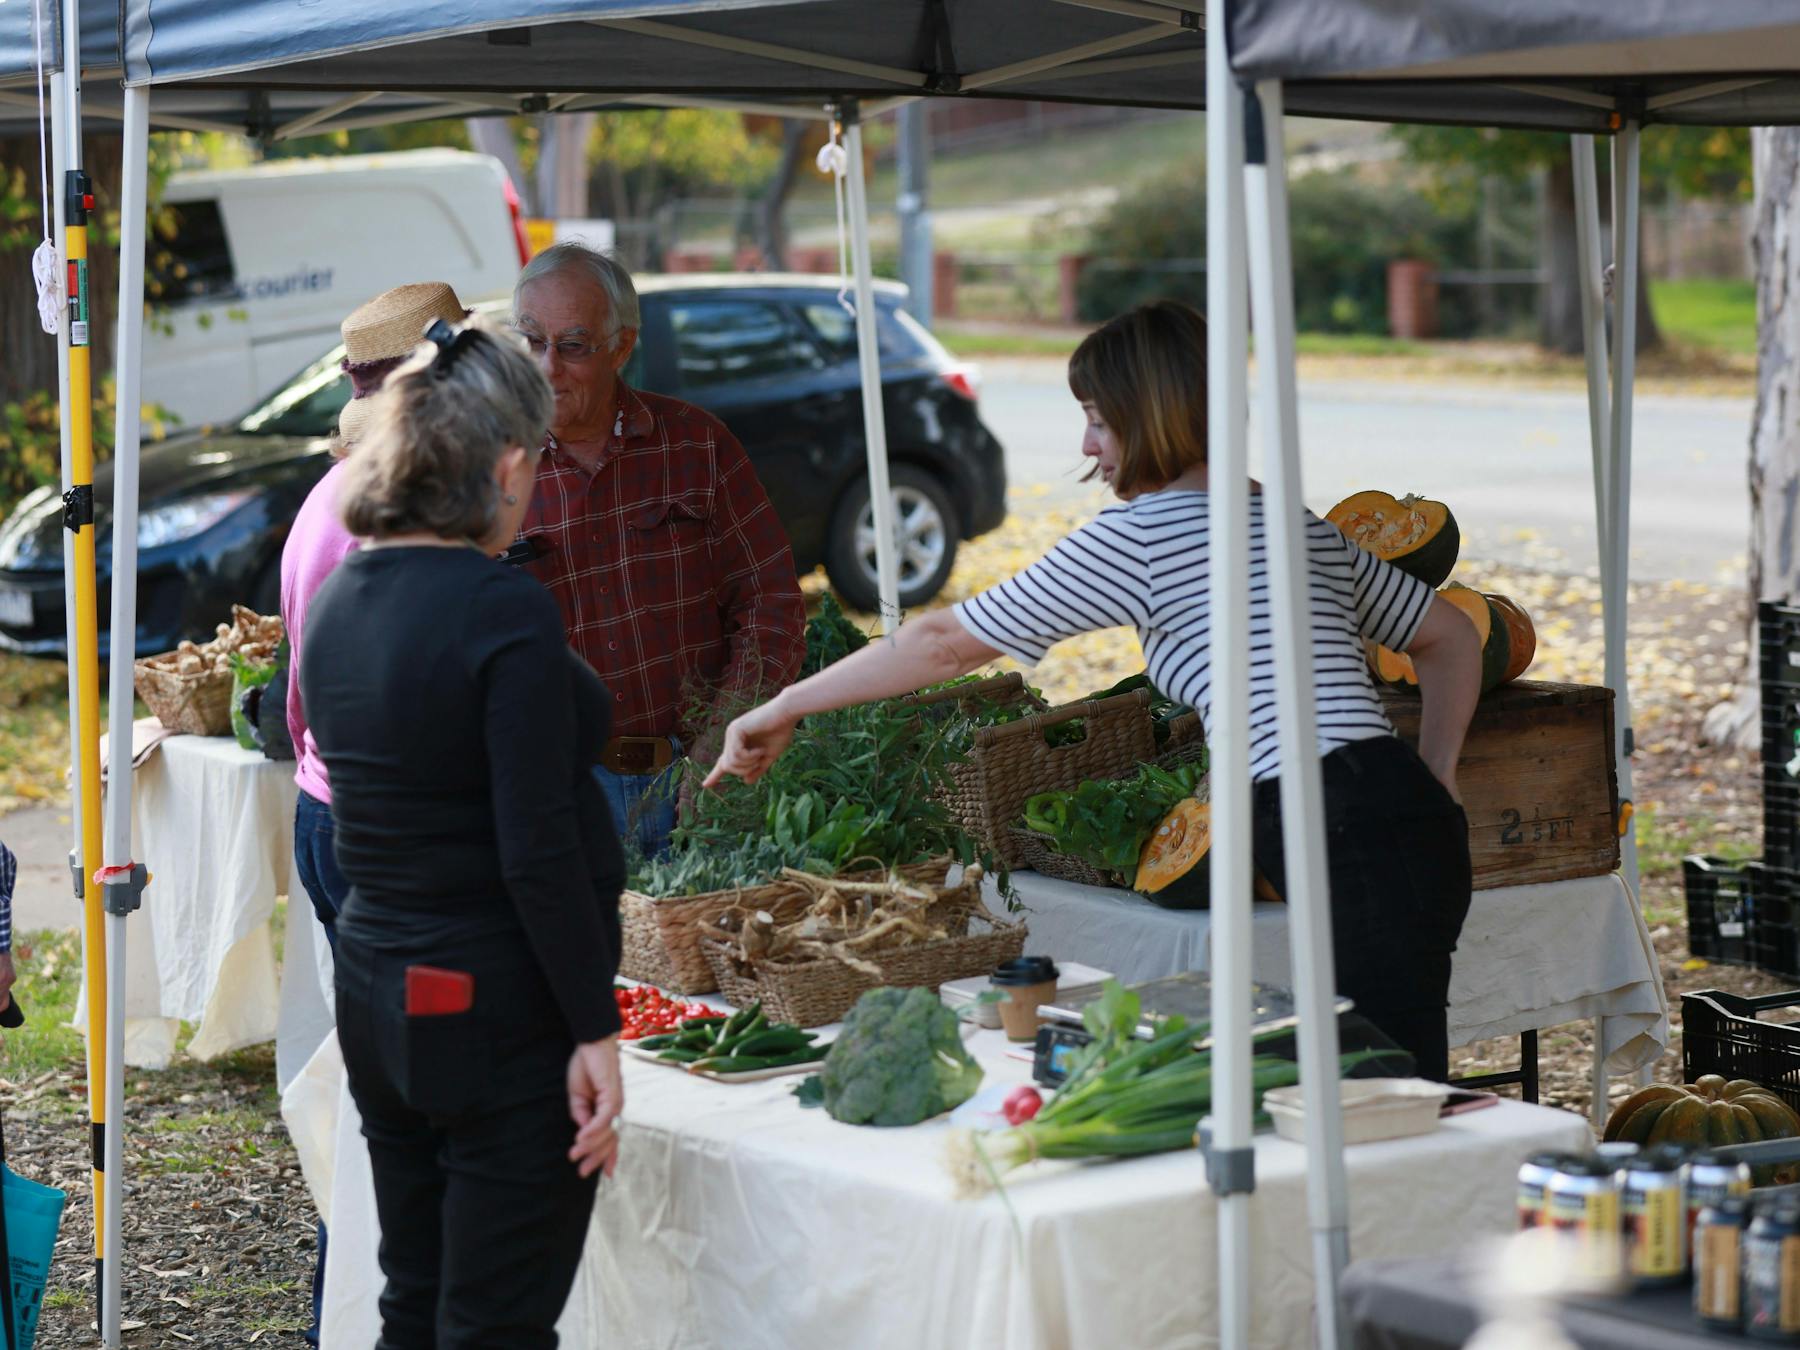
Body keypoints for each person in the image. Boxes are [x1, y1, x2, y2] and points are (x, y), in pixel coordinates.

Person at [707, 300, 1483, 1081]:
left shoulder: (1146, 535)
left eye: (1099, 422)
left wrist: (785, 706)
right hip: (1391, 813)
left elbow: (941, 643)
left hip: (1331, 818)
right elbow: (1450, 637)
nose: (1087, 445)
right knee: (1385, 1084)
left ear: (1156, 418)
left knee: (1390, 1098)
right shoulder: (1290, 521)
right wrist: (1437, 778)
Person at [302, 317, 624, 1348]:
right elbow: (535, 849)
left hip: (377, 988)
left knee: (417, 1297)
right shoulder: (501, 612)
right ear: (504, 463)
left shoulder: (341, 598)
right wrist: (595, 1028)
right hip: (486, 1006)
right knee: (495, 1325)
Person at [280, 280, 468, 1348]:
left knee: (389, 1092)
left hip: (334, 818)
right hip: (386, 845)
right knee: (417, 1104)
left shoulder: (327, 496)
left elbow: (300, 697)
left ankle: (355, 1307)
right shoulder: (389, 522)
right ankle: (383, 1313)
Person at [510, 242, 806, 860]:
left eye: (573, 345)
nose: (546, 368)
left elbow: (770, 604)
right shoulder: (490, 468)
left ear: (622, 346)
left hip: (700, 779)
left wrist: (726, 738)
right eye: (531, 341)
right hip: (559, 799)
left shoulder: (696, 446)